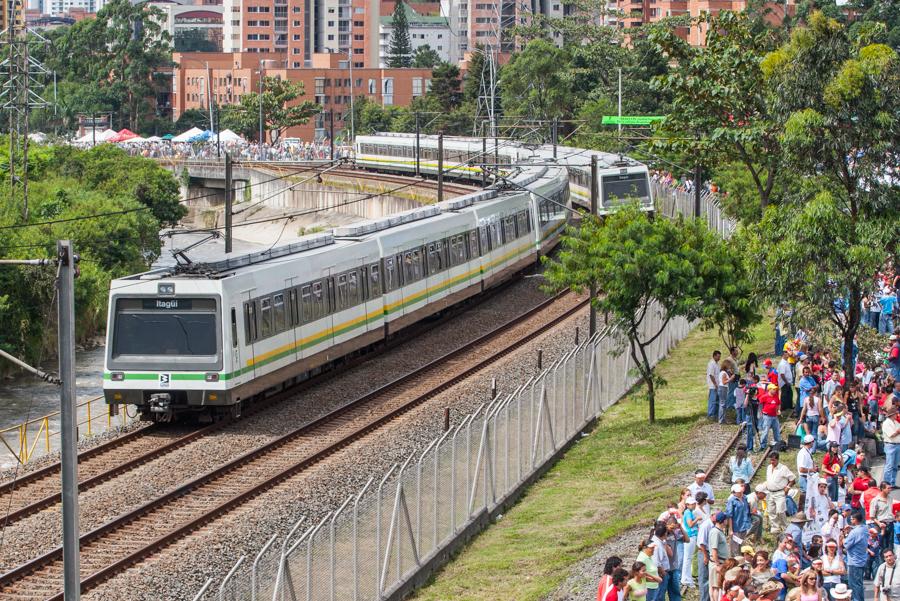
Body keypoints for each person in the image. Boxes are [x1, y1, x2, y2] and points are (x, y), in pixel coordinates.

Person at [766, 452, 796, 534]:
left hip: (779, 492)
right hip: (770, 492)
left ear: (777, 459)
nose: (772, 462)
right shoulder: (769, 467)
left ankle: (785, 527)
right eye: (771, 460)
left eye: (774, 460)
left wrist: (788, 487)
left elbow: (792, 479)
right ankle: (775, 527)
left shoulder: (783, 468)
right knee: (771, 511)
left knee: (780, 511)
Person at [844, 511, 869, 601]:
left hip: (854, 562)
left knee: (854, 585)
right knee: (859, 584)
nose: (850, 520)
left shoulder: (854, 532)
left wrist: (845, 534)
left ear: (855, 520)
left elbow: (846, 544)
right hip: (861, 560)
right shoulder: (865, 528)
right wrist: (851, 528)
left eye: (851, 519)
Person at [709, 512, 731, 601]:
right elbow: (714, 549)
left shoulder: (719, 531)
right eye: (726, 519)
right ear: (723, 520)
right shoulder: (715, 532)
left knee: (719, 585)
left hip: (722, 562)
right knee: (715, 586)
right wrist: (717, 564)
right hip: (717, 563)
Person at [726, 484, 752, 556]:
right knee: (735, 545)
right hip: (736, 526)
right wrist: (731, 529)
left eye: (741, 492)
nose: (741, 493)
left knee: (741, 543)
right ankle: (735, 559)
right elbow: (729, 515)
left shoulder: (744, 498)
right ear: (734, 492)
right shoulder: (732, 501)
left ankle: (741, 557)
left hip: (744, 524)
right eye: (739, 492)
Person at [683, 497, 701, 590]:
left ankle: (686, 578)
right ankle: (687, 579)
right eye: (692, 504)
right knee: (688, 558)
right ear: (687, 505)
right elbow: (690, 524)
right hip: (690, 537)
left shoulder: (690, 512)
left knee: (688, 558)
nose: (694, 505)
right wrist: (697, 519)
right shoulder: (688, 513)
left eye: (694, 503)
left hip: (692, 536)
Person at [872, 482, 895, 553]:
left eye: (890, 488)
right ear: (882, 489)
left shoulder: (890, 498)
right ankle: (883, 563)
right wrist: (879, 524)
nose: (890, 490)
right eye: (888, 488)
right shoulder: (875, 500)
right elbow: (872, 516)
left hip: (890, 524)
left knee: (890, 546)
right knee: (883, 547)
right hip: (881, 526)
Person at [760, 384, 783, 450]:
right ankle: (763, 445)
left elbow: (778, 404)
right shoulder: (764, 396)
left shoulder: (776, 396)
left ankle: (778, 444)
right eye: (773, 389)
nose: (775, 390)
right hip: (767, 417)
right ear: (769, 389)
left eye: (775, 389)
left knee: (777, 430)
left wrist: (778, 410)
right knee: (765, 431)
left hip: (774, 416)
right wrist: (761, 413)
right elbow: (760, 405)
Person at [883, 407, 900, 488]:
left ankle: (892, 483)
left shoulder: (896, 422)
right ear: (892, 415)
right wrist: (898, 431)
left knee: (895, 466)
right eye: (896, 414)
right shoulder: (886, 423)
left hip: (897, 444)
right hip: (890, 445)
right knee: (889, 465)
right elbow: (892, 435)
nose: (897, 415)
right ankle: (886, 484)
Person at [709, 351, 723, 419]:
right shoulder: (711, 364)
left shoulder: (717, 364)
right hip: (713, 386)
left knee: (717, 400)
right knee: (713, 400)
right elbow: (711, 375)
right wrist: (715, 384)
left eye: (720, 356)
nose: (719, 358)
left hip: (718, 384)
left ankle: (715, 414)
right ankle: (711, 414)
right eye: (718, 356)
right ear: (714, 356)